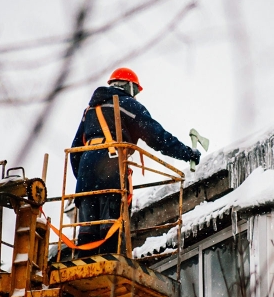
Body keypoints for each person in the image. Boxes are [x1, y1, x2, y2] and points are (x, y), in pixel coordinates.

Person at [70, 67, 201, 257]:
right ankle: (109, 266)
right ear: (129, 87)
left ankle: (82, 269)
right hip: (111, 167)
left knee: (87, 234)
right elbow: (158, 138)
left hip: (86, 173)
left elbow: (74, 151)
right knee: (111, 231)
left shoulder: (90, 110)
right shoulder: (128, 105)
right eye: (136, 91)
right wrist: (187, 153)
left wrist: (84, 178)